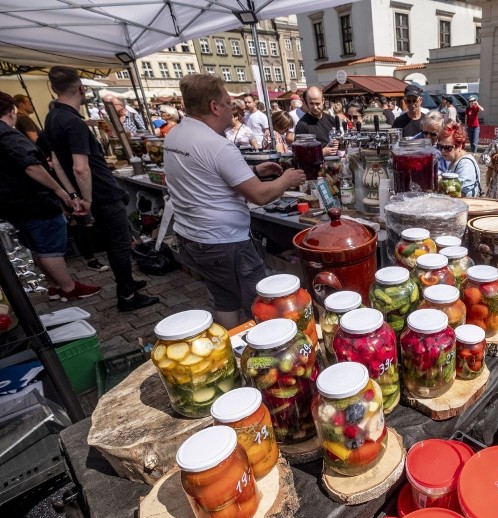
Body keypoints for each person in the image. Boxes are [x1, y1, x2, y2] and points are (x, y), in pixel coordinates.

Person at [164, 74, 307, 328]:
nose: (234, 109)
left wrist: (254, 172)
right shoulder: (217, 145)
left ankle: (234, 342)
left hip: (192, 237)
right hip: (224, 241)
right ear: (214, 106)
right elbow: (260, 195)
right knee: (262, 302)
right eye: (228, 103)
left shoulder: (176, 135)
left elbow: (207, 179)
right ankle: (270, 352)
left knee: (224, 297)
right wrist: (286, 178)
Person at [41, 66, 157, 311]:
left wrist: (73, 196)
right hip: (101, 193)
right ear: (81, 89)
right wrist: (87, 200)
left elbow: (58, 164)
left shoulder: (52, 118)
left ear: (53, 88)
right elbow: (80, 167)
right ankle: (126, 296)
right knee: (120, 245)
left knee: (116, 243)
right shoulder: (73, 122)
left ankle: (127, 283)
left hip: (91, 193)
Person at [0, 91, 101, 302]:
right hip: (33, 201)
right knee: (50, 248)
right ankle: (68, 287)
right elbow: (30, 166)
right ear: (11, 111)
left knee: (38, 246)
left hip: (16, 203)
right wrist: (60, 191)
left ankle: (55, 286)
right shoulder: (8, 135)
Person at [437, 123, 481, 197]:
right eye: (440, 147)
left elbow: (459, 193)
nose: (443, 151)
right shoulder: (453, 160)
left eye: (448, 148)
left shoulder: (466, 164)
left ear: (460, 146)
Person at [294, 86, 339, 154]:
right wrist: (323, 152)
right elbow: (301, 153)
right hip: (315, 163)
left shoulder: (330, 119)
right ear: (307, 102)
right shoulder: (302, 125)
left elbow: (339, 138)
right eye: (311, 103)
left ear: (323, 101)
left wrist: (338, 142)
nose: (315, 107)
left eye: (317, 104)